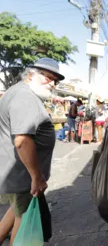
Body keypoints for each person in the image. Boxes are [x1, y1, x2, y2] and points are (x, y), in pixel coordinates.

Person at [0, 57, 64, 245]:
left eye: (55, 80)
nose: (52, 83)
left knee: (17, 210)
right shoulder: (25, 96)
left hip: (16, 176)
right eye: (47, 77)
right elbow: (22, 140)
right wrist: (36, 177)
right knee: (25, 221)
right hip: (22, 177)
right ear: (31, 74)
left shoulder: (17, 92)